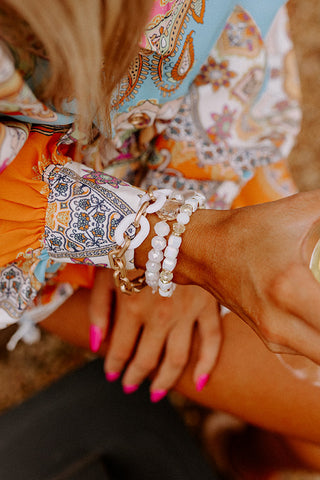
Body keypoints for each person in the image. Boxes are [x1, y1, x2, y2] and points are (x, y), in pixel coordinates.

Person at [1, 0, 320, 476]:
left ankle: (255, 456)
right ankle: (249, 458)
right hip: (36, 217)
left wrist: (193, 195)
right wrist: (172, 243)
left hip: (203, 123)